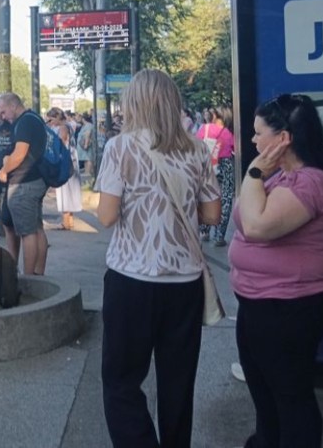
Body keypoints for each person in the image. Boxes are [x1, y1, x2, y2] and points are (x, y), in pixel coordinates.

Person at [95, 69, 221, 448]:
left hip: (131, 280)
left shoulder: (120, 147)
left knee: (121, 381)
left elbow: (105, 216)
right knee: (178, 383)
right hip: (184, 283)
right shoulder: (197, 148)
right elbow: (213, 215)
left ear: (134, 103)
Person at [230, 93, 323, 448]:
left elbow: (256, 226)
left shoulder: (311, 181)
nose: (253, 141)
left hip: (290, 308)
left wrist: (254, 172)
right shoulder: (278, 177)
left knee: (290, 397)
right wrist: (259, 177)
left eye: (258, 134)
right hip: (260, 305)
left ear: (283, 138)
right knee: (265, 393)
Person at [0, 92, 49, 275]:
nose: (2, 117)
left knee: (28, 233)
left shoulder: (25, 122)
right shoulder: (34, 118)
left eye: (3, 112)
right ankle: (38, 272)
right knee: (36, 228)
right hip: (36, 180)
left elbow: (19, 154)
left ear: (13, 106)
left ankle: (28, 278)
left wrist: (4, 169)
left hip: (23, 182)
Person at [198, 106, 236, 247]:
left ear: (214, 116)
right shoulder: (227, 132)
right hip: (225, 165)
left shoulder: (203, 129)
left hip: (207, 165)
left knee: (205, 194)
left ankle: (204, 231)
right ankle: (219, 236)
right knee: (225, 197)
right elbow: (234, 149)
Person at [45, 108, 82, 230]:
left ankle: (66, 221)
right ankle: (69, 220)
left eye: (51, 119)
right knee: (70, 189)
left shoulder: (62, 128)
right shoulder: (69, 125)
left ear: (56, 117)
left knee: (64, 190)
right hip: (72, 158)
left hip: (65, 160)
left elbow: (61, 141)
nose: (50, 122)